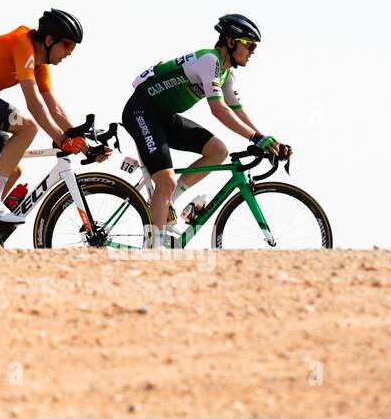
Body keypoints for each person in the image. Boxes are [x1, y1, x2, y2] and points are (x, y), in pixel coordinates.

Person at [122, 13, 291, 245]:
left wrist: (267, 139)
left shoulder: (225, 74)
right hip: (141, 111)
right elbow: (219, 110)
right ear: (231, 41)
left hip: (163, 116)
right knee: (166, 181)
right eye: (249, 45)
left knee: (218, 151)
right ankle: (153, 249)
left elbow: (237, 110)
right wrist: (255, 138)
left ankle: (169, 201)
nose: (252, 52)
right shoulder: (209, 60)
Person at [0, 9, 107, 224]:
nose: (70, 52)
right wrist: (62, 139)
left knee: (11, 169)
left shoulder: (40, 63)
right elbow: (34, 103)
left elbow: (55, 109)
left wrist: (85, 145)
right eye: (67, 45)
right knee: (27, 127)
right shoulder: (22, 44)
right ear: (48, 40)